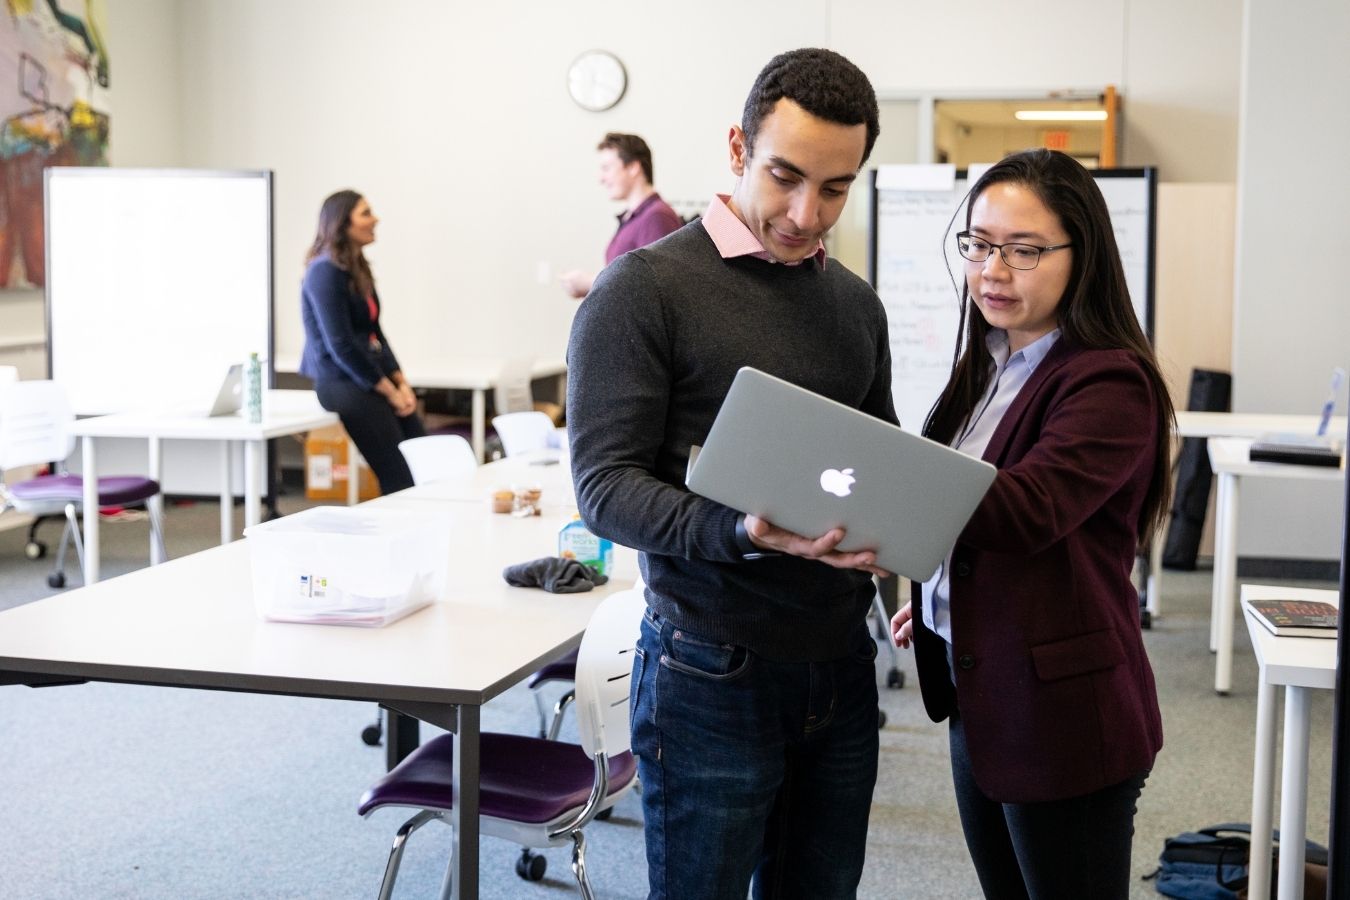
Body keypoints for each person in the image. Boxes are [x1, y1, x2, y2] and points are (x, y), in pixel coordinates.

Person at [567, 49, 892, 899]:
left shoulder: (856, 305)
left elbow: (876, 453)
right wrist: (736, 530)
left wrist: (900, 525)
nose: (803, 211)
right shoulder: (642, 291)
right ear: (738, 149)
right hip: (709, 669)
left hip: (840, 664)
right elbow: (604, 488)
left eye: (834, 188)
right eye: (785, 175)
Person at [889, 149, 1174, 900]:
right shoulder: (987, 363)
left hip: (1065, 715)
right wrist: (938, 594)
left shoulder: (1109, 379)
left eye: (1023, 250)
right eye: (979, 244)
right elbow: (975, 525)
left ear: (1083, 255)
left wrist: (879, 474)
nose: (993, 270)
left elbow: (1026, 511)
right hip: (982, 686)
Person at [299, 190, 425, 494]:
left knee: (424, 453)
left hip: (370, 376)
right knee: (400, 474)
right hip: (341, 382)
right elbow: (341, 345)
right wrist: (389, 392)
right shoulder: (323, 271)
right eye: (366, 213)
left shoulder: (356, 268)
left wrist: (401, 382)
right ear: (343, 223)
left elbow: (375, 333)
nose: (375, 219)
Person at [559, 132, 683, 298]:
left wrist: (591, 282)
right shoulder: (633, 218)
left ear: (633, 167)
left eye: (607, 168)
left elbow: (657, 285)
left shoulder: (656, 217)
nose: (601, 178)